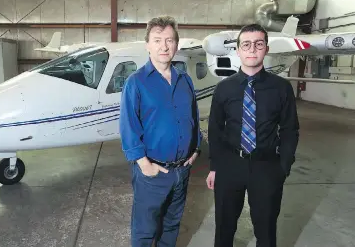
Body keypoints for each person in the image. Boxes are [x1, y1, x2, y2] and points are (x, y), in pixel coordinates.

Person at [205, 23, 299, 247]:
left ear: (266, 49)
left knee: (266, 232)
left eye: (258, 44)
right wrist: (215, 167)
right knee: (224, 229)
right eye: (246, 44)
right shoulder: (224, 89)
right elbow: (215, 130)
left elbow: (290, 129)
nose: (252, 49)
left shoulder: (281, 88)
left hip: (266, 167)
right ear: (238, 50)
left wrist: (283, 166)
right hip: (230, 166)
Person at [119, 15, 202, 247]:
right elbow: (128, 126)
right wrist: (144, 165)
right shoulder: (136, 82)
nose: (164, 46)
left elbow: (194, 118)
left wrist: (196, 149)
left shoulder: (185, 80)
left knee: (172, 226)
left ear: (176, 44)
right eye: (157, 40)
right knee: (145, 230)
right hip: (153, 172)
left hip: (182, 170)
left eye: (169, 40)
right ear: (147, 45)